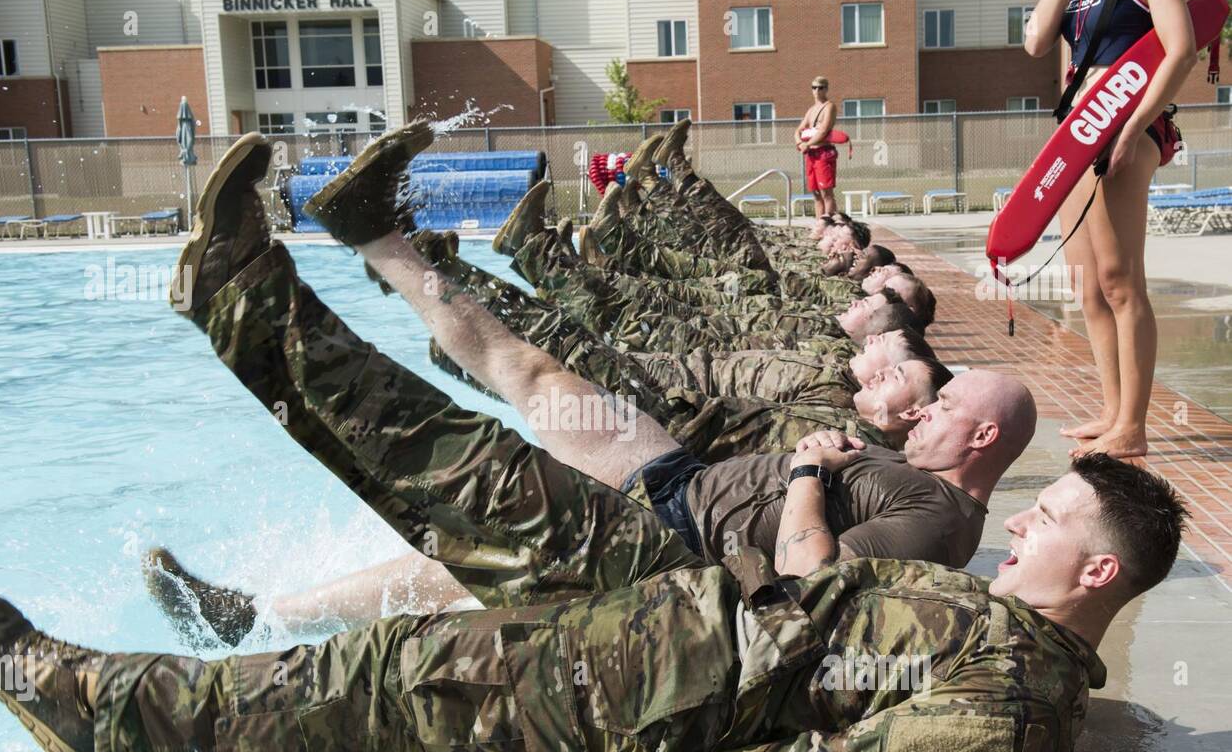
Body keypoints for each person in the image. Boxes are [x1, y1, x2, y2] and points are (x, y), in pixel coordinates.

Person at [0, 127, 1188, 752]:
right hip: (663, 608)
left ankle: (103, 710)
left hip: (654, 673)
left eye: (1048, 516)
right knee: (456, 471)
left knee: (389, 682)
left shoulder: (1019, 697)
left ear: (1094, 569)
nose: (1019, 519)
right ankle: (244, 292)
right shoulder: (996, 625)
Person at [134, 128, 1026, 648]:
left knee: (452, 488)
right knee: (526, 368)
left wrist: (803, 473)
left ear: (980, 442)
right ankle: (375, 234)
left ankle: (243, 296)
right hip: (672, 477)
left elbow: (808, 583)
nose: (926, 410)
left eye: (944, 407)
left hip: (658, 537)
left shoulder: (940, 519)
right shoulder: (918, 480)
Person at [1025, 0, 1197, 458]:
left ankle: (1133, 426)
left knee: (1121, 282)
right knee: (1089, 287)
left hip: (1126, 124)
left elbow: (1182, 49)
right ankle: (1111, 410)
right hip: (1078, 132)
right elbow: (1036, 42)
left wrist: (1132, 127)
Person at [797, 76, 839, 216]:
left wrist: (807, 144)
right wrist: (799, 143)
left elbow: (823, 130)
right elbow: (798, 130)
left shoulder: (829, 107)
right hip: (811, 154)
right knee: (815, 193)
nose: (817, 90)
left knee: (826, 192)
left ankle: (830, 225)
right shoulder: (811, 110)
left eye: (820, 87)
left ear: (826, 89)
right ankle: (819, 224)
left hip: (823, 153)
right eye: (814, 87)